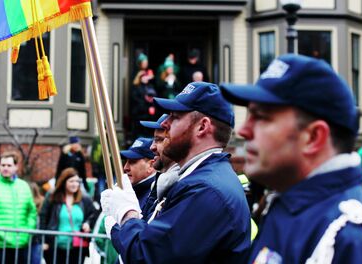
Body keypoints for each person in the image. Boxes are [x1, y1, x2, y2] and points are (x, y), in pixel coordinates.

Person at [220, 54, 362, 263]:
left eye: (261, 117)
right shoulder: (288, 203)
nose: (244, 130)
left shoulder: (353, 237)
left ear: (313, 137)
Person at [102, 82, 251, 263]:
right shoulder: (203, 179)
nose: (165, 123)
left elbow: (148, 257)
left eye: (175, 117)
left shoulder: (206, 190)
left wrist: (126, 213)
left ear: (202, 127)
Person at [40, 168, 97, 264]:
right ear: (63, 182)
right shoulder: (52, 196)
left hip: (77, 247)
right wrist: (43, 241)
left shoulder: (85, 198)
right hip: (55, 247)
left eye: (77, 181)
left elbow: (93, 215)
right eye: (71, 181)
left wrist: (88, 223)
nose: (75, 184)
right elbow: (43, 217)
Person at [139, 114, 180, 220]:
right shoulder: (159, 182)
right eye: (154, 139)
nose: (152, 147)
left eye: (159, 140)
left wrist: (126, 215)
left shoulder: (181, 188)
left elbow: (148, 235)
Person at [119, 137, 156, 208]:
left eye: (132, 162)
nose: (125, 168)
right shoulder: (130, 190)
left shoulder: (154, 196)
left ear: (151, 165)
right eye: (126, 161)